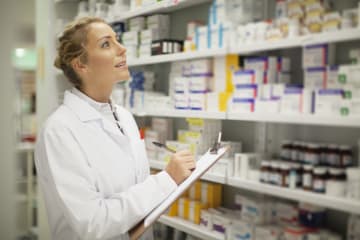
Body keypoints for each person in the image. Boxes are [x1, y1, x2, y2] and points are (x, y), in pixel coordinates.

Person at [35, 17, 196, 240]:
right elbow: (92, 223)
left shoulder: (124, 117)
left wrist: (171, 185)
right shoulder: (59, 131)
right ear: (81, 64)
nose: (122, 49)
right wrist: (166, 179)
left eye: (117, 40)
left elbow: (136, 193)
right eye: (106, 44)